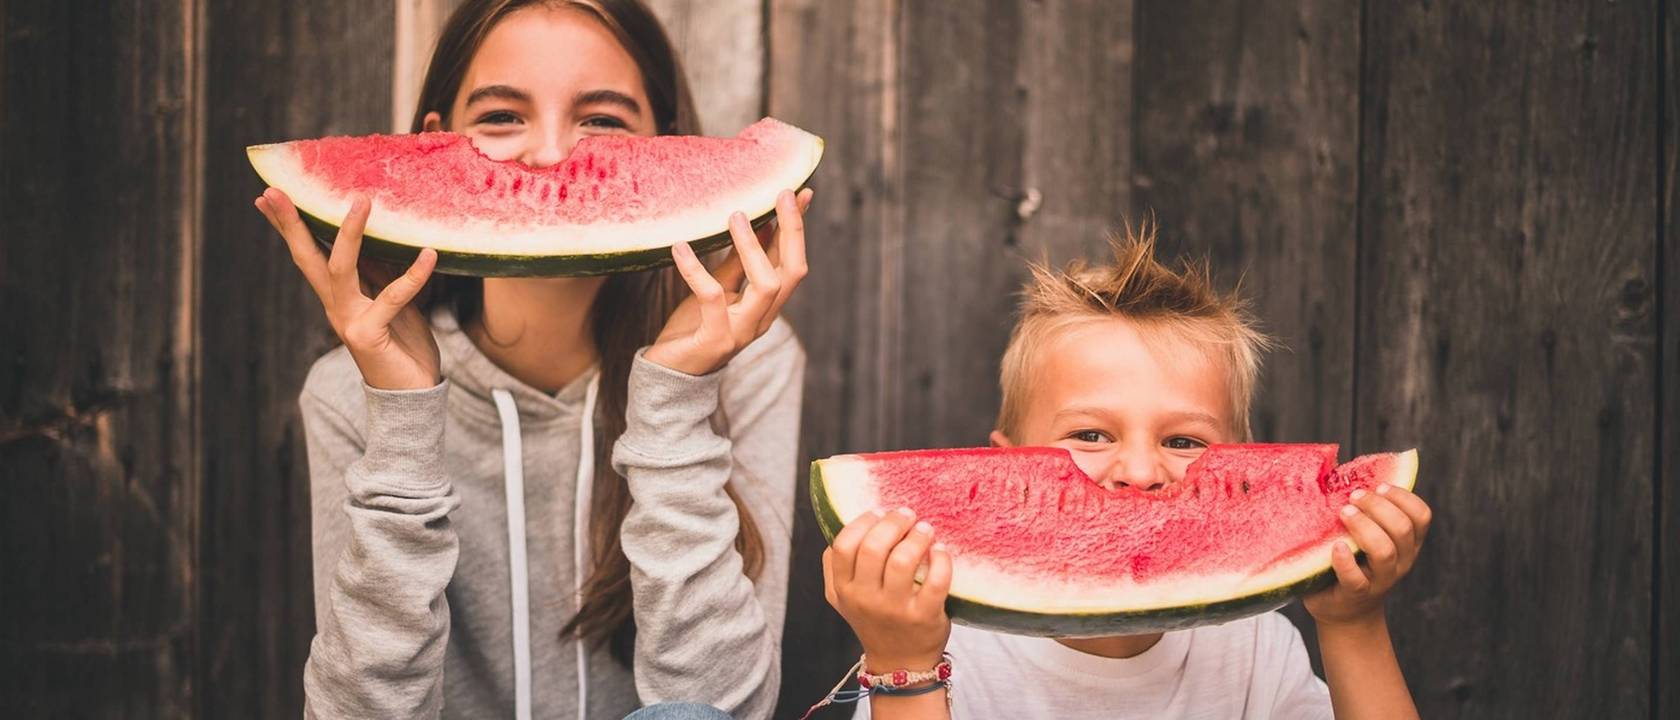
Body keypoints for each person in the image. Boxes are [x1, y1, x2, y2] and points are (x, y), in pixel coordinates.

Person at [251, 1, 811, 717]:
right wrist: (402, 423)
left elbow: (723, 711)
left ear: (665, 143)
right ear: (436, 142)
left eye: (603, 120)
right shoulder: (346, 390)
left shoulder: (752, 363)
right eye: (500, 117)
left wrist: (677, 399)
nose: (550, 155)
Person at [821, 228, 1432, 719]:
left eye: (1184, 440)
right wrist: (903, 665)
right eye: (1090, 434)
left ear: (1243, 468)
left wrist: (1353, 625)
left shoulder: (1255, 649)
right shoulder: (948, 649)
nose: (1139, 472)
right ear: (1008, 462)